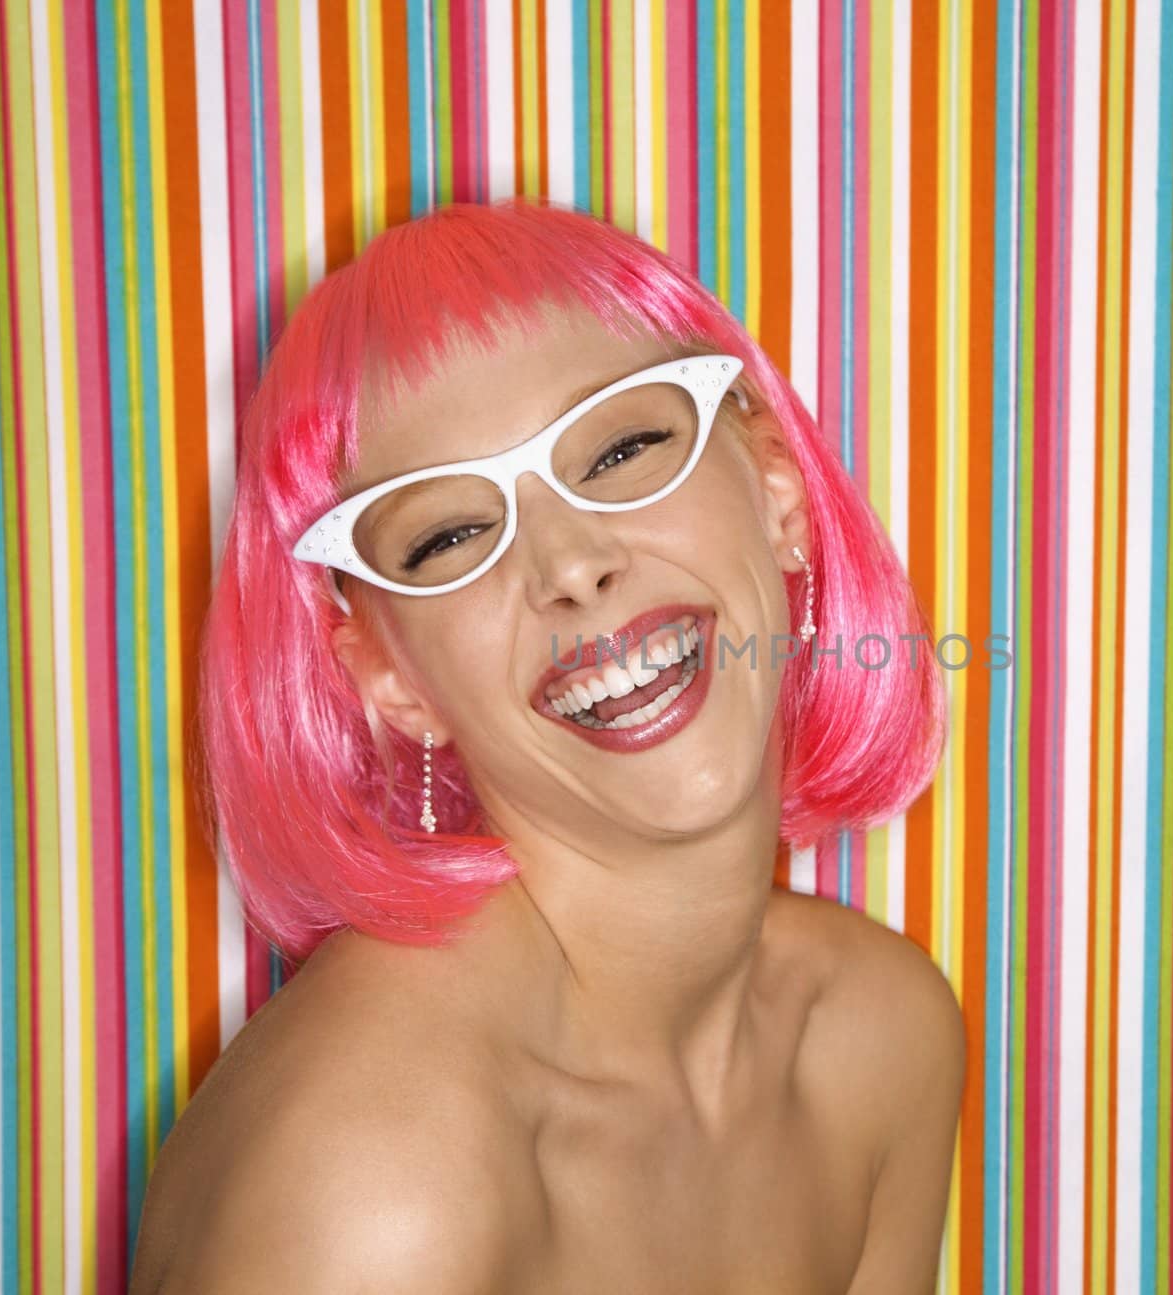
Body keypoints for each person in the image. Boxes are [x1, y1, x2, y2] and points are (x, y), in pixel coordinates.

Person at [130, 198, 961, 1293]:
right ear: (386, 674)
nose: (570, 560)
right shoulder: (375, 1185)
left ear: (775, 487)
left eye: (621, 446)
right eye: (452, 534)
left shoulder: (879, 1035)